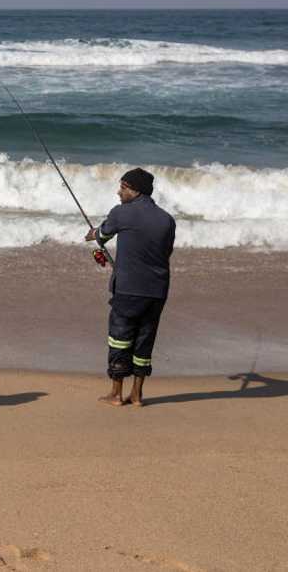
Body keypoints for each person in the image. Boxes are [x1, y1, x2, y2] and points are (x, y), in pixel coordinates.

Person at [85, 167, 176, 407]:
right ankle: (137, 394)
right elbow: (165, 252)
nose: (118, 192)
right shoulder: (167, 219)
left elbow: (101, 235)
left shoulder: (121, 213)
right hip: (157, 289)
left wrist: (91, 234)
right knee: (145, 339)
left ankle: (116, 393)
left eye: (122, 187)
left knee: (120, 339)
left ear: (134, 190)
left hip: (128, 289)